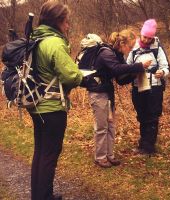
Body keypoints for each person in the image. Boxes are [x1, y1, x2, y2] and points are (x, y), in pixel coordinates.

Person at [28, 1, 83, 200]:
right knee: (50, 154)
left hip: (36, 105)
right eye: (66, 22)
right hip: (51, 107)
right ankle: (44, 197)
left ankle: (40, 195)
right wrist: (80, 75)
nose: (68, 26)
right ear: (58, 21)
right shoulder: (54, 42)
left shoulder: (36, 38)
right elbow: (71, 76)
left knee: (41, 152)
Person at [82, 30, 151, 168]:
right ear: (122, 43)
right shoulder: (106, 53)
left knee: (111, 126)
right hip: (98, 93)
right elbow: (117, 68)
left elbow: (120, 79)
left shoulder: (117, 55)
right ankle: (100, 157)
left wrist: (135, 73)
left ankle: (109, 155)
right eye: (130, 47)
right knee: (102, 127)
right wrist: (139, 66)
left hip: (108, 94)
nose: (130, 50)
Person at [127, 19, 170, 155]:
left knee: (152, 116)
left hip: (154, 88)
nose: (146, 40)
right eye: (145, 37)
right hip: (138, 87)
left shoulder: (158, 48)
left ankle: (149, 147)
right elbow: (127, 66)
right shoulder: (133, 48)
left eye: (149, 38)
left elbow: (166, 66)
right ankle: (143, 144)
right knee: (142, 115)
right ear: (141, 34)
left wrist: (162, 72)